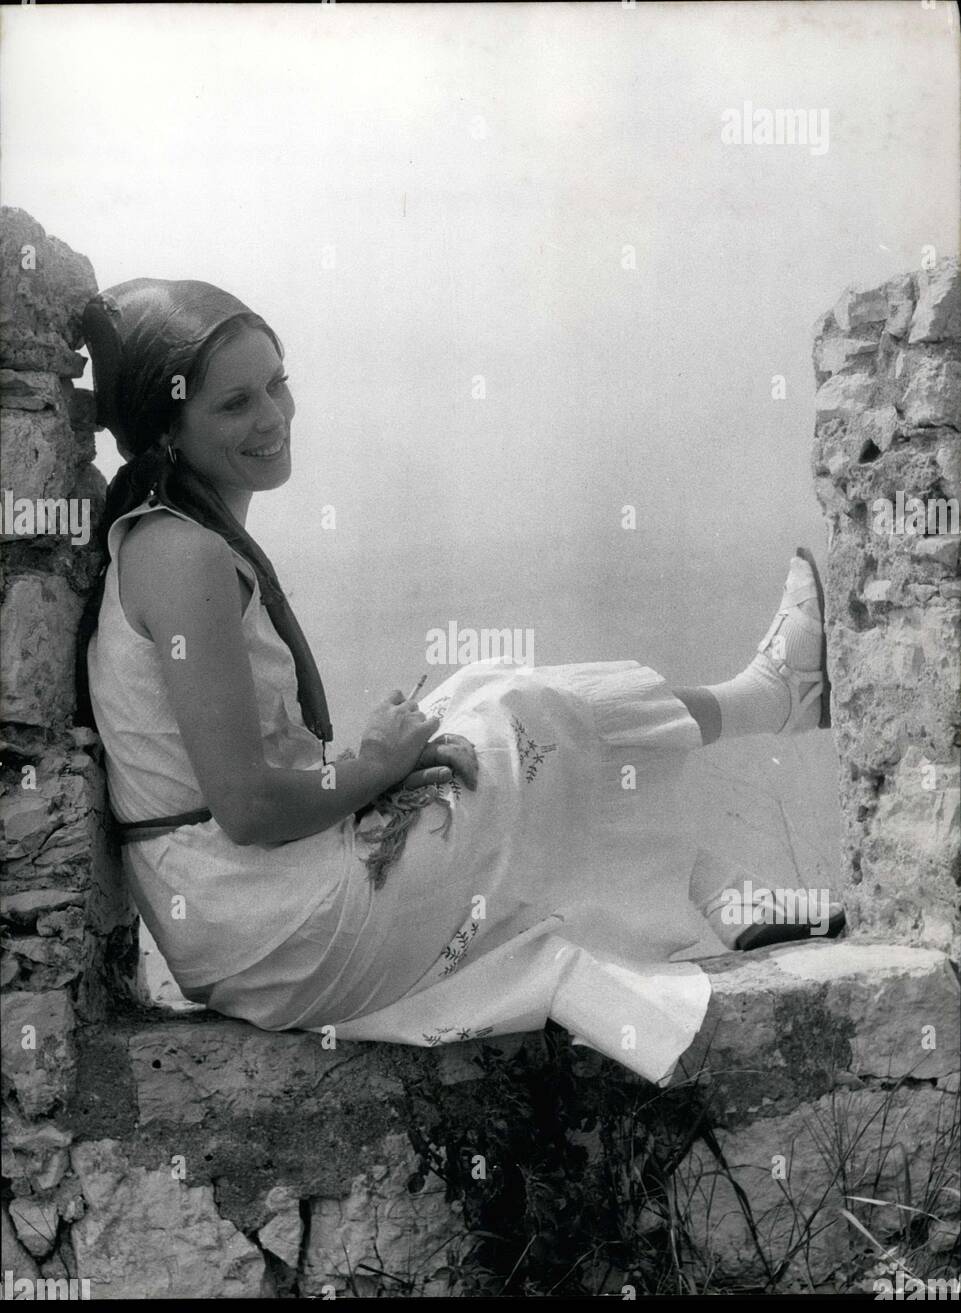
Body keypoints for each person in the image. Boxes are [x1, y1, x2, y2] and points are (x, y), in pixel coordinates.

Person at [79, 278, 838, 1087]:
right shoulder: (179, 555)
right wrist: (377, 765)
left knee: (483, 704)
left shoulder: (178, 539)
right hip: (269, 924)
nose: (271, 416)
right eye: (234, 404)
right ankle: (767, 702)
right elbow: (249, 806)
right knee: (513, 718)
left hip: (253, 908)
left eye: (277, 382)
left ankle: (726, 884)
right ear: (167, 428)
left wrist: (387, 759)